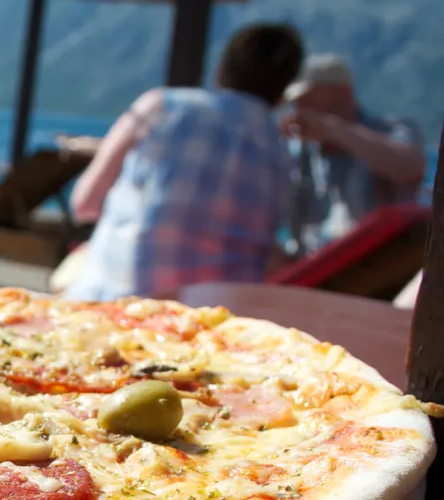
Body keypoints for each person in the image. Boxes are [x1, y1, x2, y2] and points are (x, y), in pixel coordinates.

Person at [58, 24, 304, 301]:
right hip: (218, 322)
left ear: (220, 71)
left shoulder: (162, 106)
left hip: (116, 303)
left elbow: (84, 203)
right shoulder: (283, 153)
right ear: (283, 93)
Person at [282, 54, 427, 253]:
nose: (299, 109)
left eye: (307, 99)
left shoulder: (391, 131)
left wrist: (333, 129)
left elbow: (410, 168)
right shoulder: (301, 154)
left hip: (385, 260)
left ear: (343, 94)